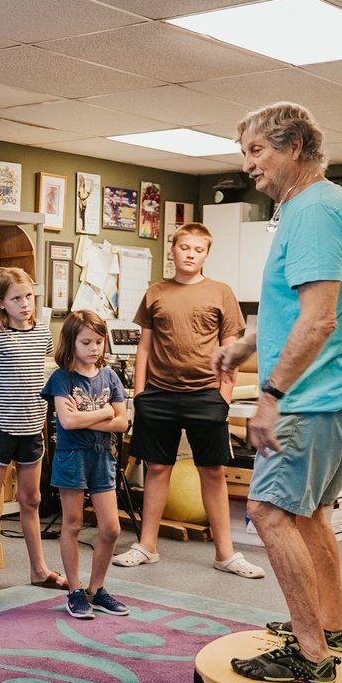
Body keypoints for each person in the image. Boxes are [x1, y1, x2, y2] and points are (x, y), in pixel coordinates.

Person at [214, 101, 342, 683]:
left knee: (266, 510)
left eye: (258, 151)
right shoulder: (322, 208)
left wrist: (271, 395)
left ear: (296, 149)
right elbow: (297, 310)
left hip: (314, 394)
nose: (249, 165)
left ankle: (309, 655)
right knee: (309, 514)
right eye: (245, 153)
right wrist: (246, 345)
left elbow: (319, 320)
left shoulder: (311, 211)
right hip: (340, 389)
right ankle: (331, 630)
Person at [113, 223, 265, 579]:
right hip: (159, 395)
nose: (190, 254)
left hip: (206, 395)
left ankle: (225, 553)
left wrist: (223, 396)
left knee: (211, 471)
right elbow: (145, 347)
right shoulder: (155, 293)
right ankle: (147, 546)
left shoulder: (221, 292)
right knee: (157, 469)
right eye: (184, 248)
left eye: (198, 249)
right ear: (173, 250)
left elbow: (231, 349)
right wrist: (140, 395)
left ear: (207, 255)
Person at [0, 267, 66, 602]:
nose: (25, 304)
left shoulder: (43, 333)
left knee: (32, 500)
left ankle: (39, 570)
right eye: (16, 298)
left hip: (32, 428)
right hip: (0, 428)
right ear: (1, 303)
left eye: (28, 296)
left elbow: (43, 369)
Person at [42, 310, 131, 620]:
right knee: (74, 524)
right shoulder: (61, 378)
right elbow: (66, 421)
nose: (94, 348)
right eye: (86, 342)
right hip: (71, 457)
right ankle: (75, 591)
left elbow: (123, 423)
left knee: (111, 527)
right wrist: (104, 413)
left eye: (99, 341)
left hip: (102, 456)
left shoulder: (110, 376)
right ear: (71, 343)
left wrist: (89, 420)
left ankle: (96, 589)